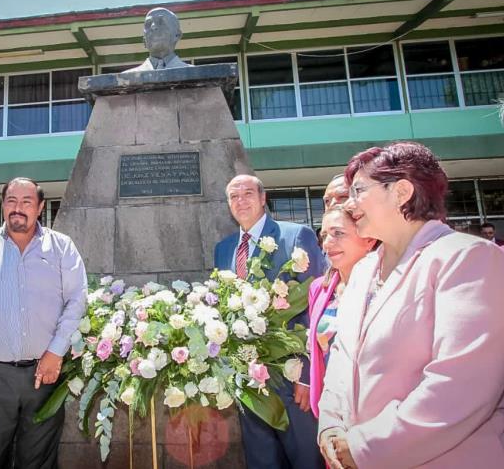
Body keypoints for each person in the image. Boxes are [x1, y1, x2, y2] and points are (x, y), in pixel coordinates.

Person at [318, 142, 504, 469]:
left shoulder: (466, 258)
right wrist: (331, 427)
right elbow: (341, 357)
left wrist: (363, 447)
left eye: (359, 190)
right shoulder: (362, 272)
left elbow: (460, 387)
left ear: (401, 191)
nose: (349, 203)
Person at [0, 177, 87, 469]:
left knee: (38, 459)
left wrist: (56, 351)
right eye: (11, 201)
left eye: (26, 202)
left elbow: (77, 299)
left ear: (40, 207)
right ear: (3, 205)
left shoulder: (61, 247)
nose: (18, 208)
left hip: (43, 374)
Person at [214, 174, 326, 469]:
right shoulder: (224, 249)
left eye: (248, 194)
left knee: (306, 460)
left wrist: (307, 374)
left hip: (291, 377)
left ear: (263, 198)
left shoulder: (295, 236)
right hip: (248, 380)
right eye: (234, 197)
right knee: (262, 461)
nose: (241, 201)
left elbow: (315, 305)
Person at [308, 204, 376, 418]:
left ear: (369, 239)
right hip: (334, 408)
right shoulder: (320, 289)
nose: (328, 243)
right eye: (324, 235)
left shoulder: (387, 286)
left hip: (376, 408)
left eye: (338, 233)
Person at [125, 7, 191, 71]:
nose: (153, 26)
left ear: (177, 35)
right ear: (144, 40)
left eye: (161, 22)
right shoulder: (126, 78)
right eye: (148, 24)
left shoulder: (196, 74)